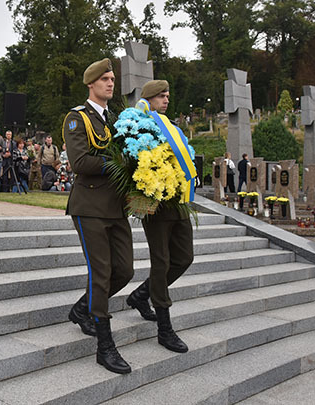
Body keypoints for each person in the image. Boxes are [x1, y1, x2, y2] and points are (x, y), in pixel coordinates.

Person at [63, 58, 134, 374]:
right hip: (89, 206)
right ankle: (105, 347)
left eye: (112, 78)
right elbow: (80, 162)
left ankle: (81, 308)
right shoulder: (77, 119)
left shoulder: (118, 121)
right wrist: (118, 166)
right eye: (104, 78)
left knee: (125, 270)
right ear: (91, 83)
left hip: (116, 207)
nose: (110, 83)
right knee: (102, 272)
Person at [125, 79, 195, 354]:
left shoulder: (173, 128)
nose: (166, 100)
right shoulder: (139, 125)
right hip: (154, 204)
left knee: (184, 258)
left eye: (168, 95)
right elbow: (132, 161)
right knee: (161, 261)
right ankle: (165, 329)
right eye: (161, 96)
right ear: (150, 99)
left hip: (177, 201)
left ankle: (141, 295)